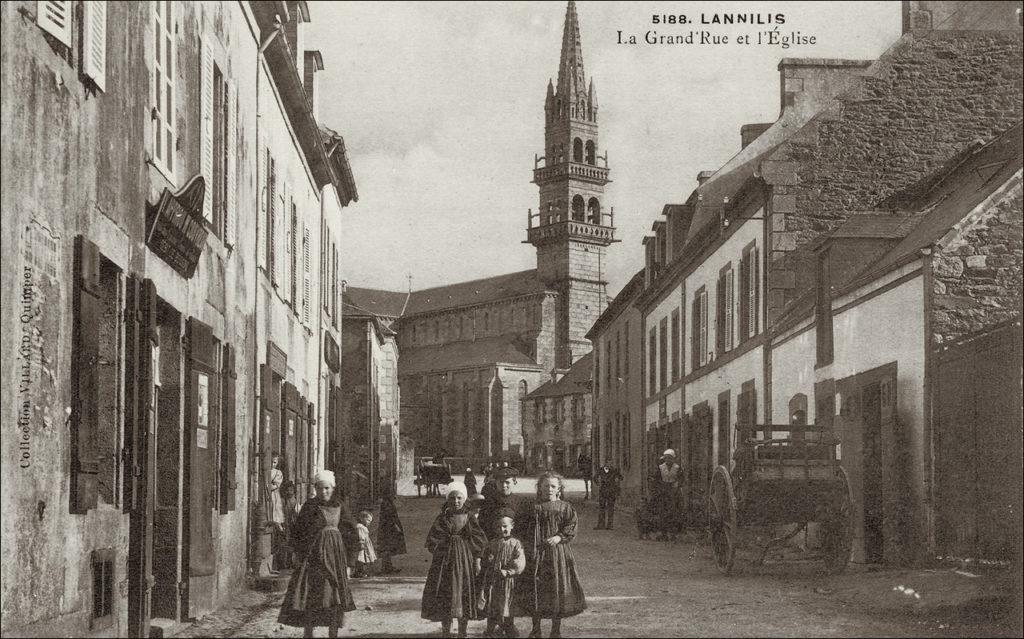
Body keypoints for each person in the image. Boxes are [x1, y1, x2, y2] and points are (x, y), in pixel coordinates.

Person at [278, 469, 358, 638]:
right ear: (315, 488)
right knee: (310, 594)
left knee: (333, 596)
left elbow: (352, 536)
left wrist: (350, 563)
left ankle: (333, 633)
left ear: (333, 488)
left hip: (335, 560)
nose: (323, 492)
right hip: (312, 559)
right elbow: (299, 532)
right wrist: (297, 554)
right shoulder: (310, 506)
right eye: (320, 488)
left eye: (327, 488)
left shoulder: (340, 506)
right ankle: (308, 633)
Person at [515, 471, 586, 638]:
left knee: (556, 589)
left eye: (553, 486)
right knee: (536, 588)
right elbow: (520, 527)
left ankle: (555, 630)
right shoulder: (531, 507)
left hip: (557, 555)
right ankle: (536, 628)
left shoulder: (565, 507)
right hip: (535, 553)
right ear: (539, 488)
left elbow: (571, 526)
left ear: (559, 488)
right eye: (545, 485)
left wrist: (558, 537)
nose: (549, 489)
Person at [421, 482, 488, 638]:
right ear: (447, 499)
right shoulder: (443, 517)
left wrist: (477, 559)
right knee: (445, 594)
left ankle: (462, 632)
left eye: (459, 498)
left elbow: (478, 539)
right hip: (445, 563)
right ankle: (446, 631)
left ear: (464, 498)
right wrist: (441, 548)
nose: (456, 501)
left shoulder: (469, 516)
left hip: (464, 562)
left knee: (464, 593)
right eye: (452, 498)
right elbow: (433, 538)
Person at [478, 511, 526, 637]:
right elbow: (485, 557)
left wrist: (509, 571)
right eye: (499, 527)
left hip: (508, 581)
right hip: (494, 580)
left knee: (507, 604)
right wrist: (487, 561)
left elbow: (520, 562)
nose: (502, 529)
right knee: (493, 604)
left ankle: (509, 627)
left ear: (512, 526)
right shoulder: (492, 543)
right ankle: (490, 629)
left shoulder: (516, 543)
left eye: (505, 526)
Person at [479, 467, 519, 542]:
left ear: (514, 482)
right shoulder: (489, 501)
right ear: (496, 482)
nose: (504, 485)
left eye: (507, 482)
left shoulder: (518, 502)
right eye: (501, 482)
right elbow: (483, 525)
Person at [651, 449, 682, 541]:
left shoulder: (677, 468)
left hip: (674, 492)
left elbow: (681, 479)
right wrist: (659, 487)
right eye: (666, 458)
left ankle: (673, 534)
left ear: (673, 459)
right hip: (663, 492)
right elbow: (656, 479)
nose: (668, 460)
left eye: (670, 458)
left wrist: (678, 483)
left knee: (674, 513)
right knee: (663, 513)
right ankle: (663, 534)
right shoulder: (660, 467)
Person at [377, 486, 407, 575]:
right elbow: (390, 517)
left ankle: (388, 566)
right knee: (387, 547)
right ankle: (386, 568)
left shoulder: (387, 502)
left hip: (387, 528)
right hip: (388, 529)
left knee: (388, 548)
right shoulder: (387, 504)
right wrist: (395, 526)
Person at [593, 464, 623, 531]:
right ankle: (601, 525)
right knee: (601, 508)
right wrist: (598, 483)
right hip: (603, 491)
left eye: (610, 462)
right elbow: (595, 477)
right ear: (605, 464)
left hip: (611, 492)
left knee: (610, 508)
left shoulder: (614, 470)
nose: (609, 464)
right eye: (608, 462)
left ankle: (610, 525)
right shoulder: (600, 470)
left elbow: (621, 478)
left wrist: (617, 480)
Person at [350, 510, 377, 578]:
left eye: (370, 521)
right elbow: (361, 536)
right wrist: (362, 543)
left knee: (364, 559)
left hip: (366, 545)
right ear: (362, 519)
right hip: (363, 545)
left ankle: (362, 571)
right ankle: (359, 572)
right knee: (361, 559)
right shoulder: (360, 527)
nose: (369, 523)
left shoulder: (363, 527)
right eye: (368, 520)